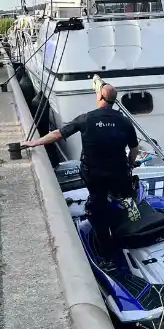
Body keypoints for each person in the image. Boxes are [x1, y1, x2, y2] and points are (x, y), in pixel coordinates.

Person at [20, 83, 140, 263]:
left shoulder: (87, 119)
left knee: (98, 212)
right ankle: (126, 240)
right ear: (114, 101)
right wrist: (130, 164)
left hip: (95, 176)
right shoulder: (124, 121)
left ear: (100, 97)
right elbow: (134, 149)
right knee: (121, 204)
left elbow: (58, 134)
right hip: (119, 175)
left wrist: (34, 143)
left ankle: (106, 256)